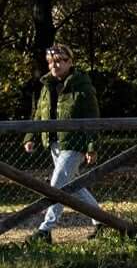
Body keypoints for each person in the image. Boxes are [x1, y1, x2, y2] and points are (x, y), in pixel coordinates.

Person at [24, 43, 100, 241]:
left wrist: (92, 146)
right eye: (50, 62)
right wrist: (30, 136)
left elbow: (93, 118)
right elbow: (39, 114)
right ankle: (102, 222)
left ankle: (45, 230)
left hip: (75, 144)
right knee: (73, 186)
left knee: (56, 186)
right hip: (54, 143)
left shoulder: (83, 86)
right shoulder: (47, 86)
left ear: (70, 61)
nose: (54, 65)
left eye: (59, 61)